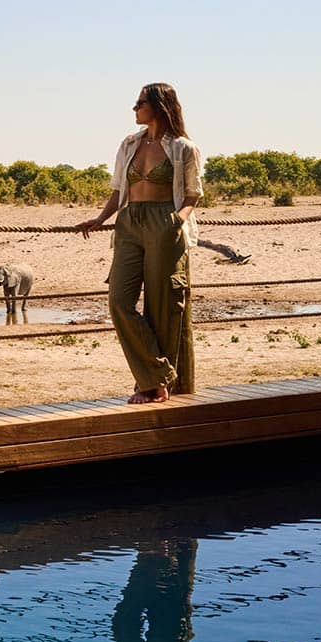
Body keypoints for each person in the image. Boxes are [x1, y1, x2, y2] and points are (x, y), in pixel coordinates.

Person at [76, 83, 203, 404]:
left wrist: (177, 221)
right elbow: (118, 190)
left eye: (140, 103)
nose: (135, 109)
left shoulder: (183, 148)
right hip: (129, 223)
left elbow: (193, 193)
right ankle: (160, 375)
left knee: (162, 306)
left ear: (159, 106)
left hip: (165, 222)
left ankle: (152, 387)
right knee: (118, 301)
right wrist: (101, 218)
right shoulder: (129, 144)